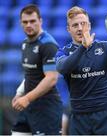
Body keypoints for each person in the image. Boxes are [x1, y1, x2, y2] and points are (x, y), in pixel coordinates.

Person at [55, 6, 107, 135]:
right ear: (68, 29)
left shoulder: (106, 48)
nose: (79, 28)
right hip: (79, 119)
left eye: (83, 24)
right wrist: (83, 47)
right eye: (75, 25)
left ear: (89, 25)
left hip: (106, 116)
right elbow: (62, 68)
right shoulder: (63, 52)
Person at [11, 4, 62, 135]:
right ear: (20, 23)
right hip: (28, 106)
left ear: (40, 21)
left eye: (32, 21)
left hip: (46, 108)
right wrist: (19, 93)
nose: (29, 24)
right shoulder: (25, 43)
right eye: (25, 22)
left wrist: (26, 98)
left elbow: (51, 78)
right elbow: (30, 74)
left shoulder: (48, 45)